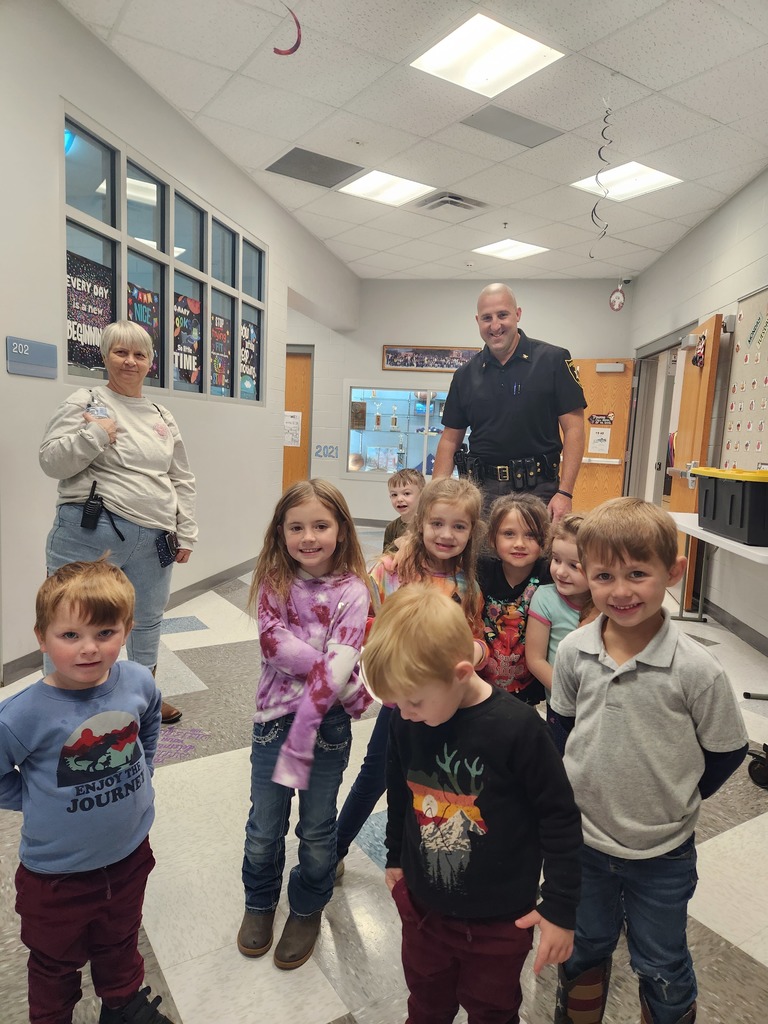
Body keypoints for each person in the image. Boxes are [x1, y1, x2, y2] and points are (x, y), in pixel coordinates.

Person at [549, 498, 749, 1024]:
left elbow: (727, 750)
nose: (620, 590)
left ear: (673, 572)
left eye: (638, 573)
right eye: (604, 575)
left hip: (663, 853)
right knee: (585, 945)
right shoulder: (573, 651)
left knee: (660, 959)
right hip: (585, 844)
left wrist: (679, 793)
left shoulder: (696, 669)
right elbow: (561, 731)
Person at [362, 585, 582, 1024]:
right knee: (426, 1006)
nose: (404, 713)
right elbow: (400, 788)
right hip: (424, 912)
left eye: (414, 701)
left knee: (493, 1010)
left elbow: (558, 818)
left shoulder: (518, 729)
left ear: (461, 673)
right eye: (395, 703)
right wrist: (395, 858)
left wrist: (560, 906)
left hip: (500, 921)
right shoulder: (410, 720)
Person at [0, 559, 174, 1024]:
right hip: (58, 877)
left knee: (121, 936)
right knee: (55, 963)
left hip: (130, 854)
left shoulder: (137, 680)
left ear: (127, 629)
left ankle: (122, 1003)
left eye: (105, 632)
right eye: (70, 635)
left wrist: (145, 763)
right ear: (42, 637)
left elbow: (150, 721)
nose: (89, 649)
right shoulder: (21, 715)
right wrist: (37, 797)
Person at [237, 480, 371, 971]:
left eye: (320, 525)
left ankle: (307, 907)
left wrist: (343, 677)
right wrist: (350, 683)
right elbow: (275, 646)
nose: (308, 536)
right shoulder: (274, 580)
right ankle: (259, 901)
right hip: (275, 724)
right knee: (263, 827)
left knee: (317, 830)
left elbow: (342, 657)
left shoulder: (355, 591)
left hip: (328, 730)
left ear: (341, 530)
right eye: (296, 527)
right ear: (281, 531)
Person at [39, 320, 197, 725]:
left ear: (150, 363)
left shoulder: (163, 413)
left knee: (147, 620)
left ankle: (145, 699)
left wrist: (186, 530)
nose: (130, 361)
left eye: (139, 354)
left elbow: (180, 477)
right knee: (69, 616)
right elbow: (52, 461)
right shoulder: (84, 400)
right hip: (89, 530)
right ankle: (65, 711)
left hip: (155, 536)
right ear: (105, 356)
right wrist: (95, 436)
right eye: (120, 352)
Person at [335, 477, 488, 878]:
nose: (447, 534)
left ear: (472, 532)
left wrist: (473, 652)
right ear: (419, 522)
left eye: (459, 526)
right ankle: (333, 849)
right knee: (375, 777)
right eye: (437, 523)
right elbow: (368, 621)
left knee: (435, 787)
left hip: (447, 706)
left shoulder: (468, 585)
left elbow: (478, 639)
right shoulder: (392, 569)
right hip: (399, 703)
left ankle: (422, 863)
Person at [433, 283, 586, 520]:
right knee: (481, 558)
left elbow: (574, 429)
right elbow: (449, 441)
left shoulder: (553, 360)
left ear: (518, 314)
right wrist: (435, 498)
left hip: (539, 490)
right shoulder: (464, 375)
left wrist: (565, 492)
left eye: (502, 315)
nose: (495, 326)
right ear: (477, 321)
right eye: (487, 318)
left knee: (538, 557)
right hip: (482, 493)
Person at [478, 492, 552, 705]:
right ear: (492, 538)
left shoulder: (549, 574)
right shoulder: (481, 569)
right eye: (509, 534)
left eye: (530, 535)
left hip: (527, 687)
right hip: (482, 683)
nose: (519, 543)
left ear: (544, 540)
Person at [526, 514, 593, 747]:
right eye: (556, 560)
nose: (561, 572)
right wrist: (568, 694)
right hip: (561, 707)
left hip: (599, 707)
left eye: (574, 566)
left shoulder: (606, 603)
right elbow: (535, 660)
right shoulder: (545, 598)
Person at [383, 467, 425, 552]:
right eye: (394, 495)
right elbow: (385, 557)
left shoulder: (427, 524)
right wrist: (396, 544)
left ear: (422, 495)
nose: (399, 499)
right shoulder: (391, 528)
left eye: (406, 493)